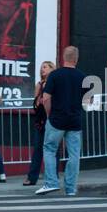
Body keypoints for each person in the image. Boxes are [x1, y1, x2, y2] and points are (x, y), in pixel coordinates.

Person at [37, 47, 85, 196]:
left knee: (49, 149)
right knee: (74, 155)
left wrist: (49, 115)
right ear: (76, 59)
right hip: (75, 121)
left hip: (57, 119)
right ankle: (70, 189)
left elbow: (45, 98)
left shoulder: (55, 75)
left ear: (63, 57)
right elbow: (88, 101)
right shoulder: (83, 77)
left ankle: (51, 183)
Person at [25, 61, 55, 187]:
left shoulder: (55, 83)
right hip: (40, 120)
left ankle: (53, 176)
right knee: (38, 148)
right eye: (41, 67)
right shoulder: (39, 84)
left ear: (51, 69)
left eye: (45, 67)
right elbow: (35, 103)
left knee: (53, 149)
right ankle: (32, 177)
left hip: (53, 119)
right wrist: (39, 100)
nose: (42, 69)